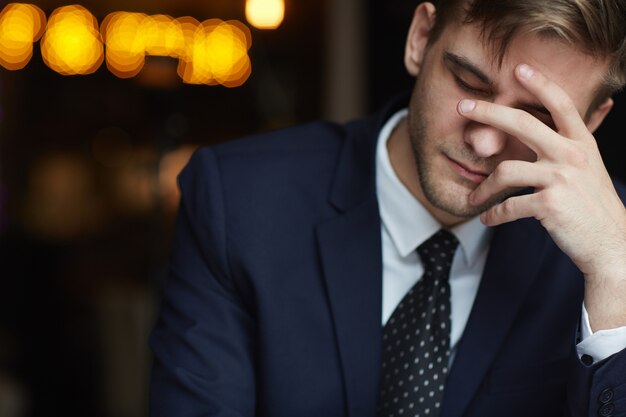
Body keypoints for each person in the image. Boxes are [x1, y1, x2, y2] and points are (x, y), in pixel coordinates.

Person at [149, 0, 626, 416]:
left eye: (533, 118)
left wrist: (615, 278)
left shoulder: (615, 243)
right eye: (470, 85)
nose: (484, 140)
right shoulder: (240, 200)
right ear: (420, 38)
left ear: (591, 120)